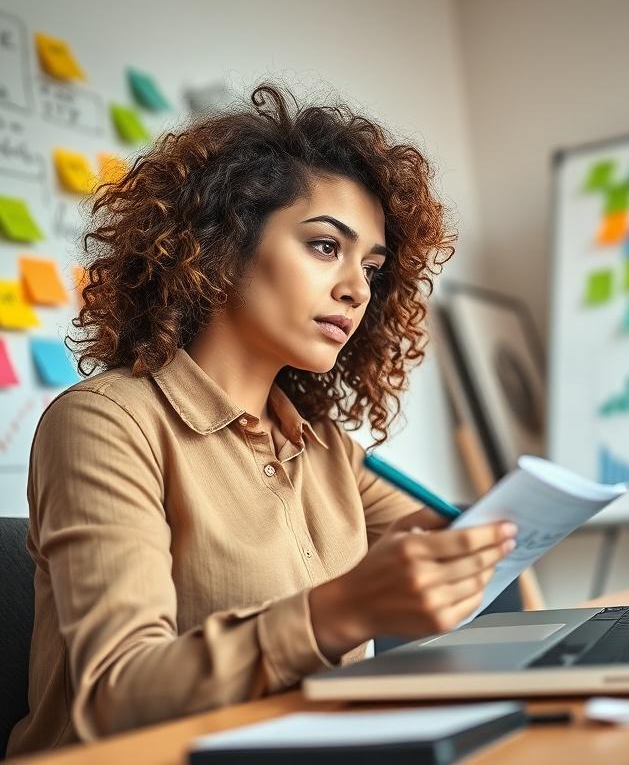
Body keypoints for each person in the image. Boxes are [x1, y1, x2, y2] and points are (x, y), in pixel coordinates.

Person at [7, 84, 516, 756]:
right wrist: (344, 610)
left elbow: (455, 539)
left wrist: (504, 531)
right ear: (222, 244)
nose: (357, 289)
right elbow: (113, 694)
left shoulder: (325, 449)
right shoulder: (106, 424)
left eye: (371, 267)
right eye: (326, 247)